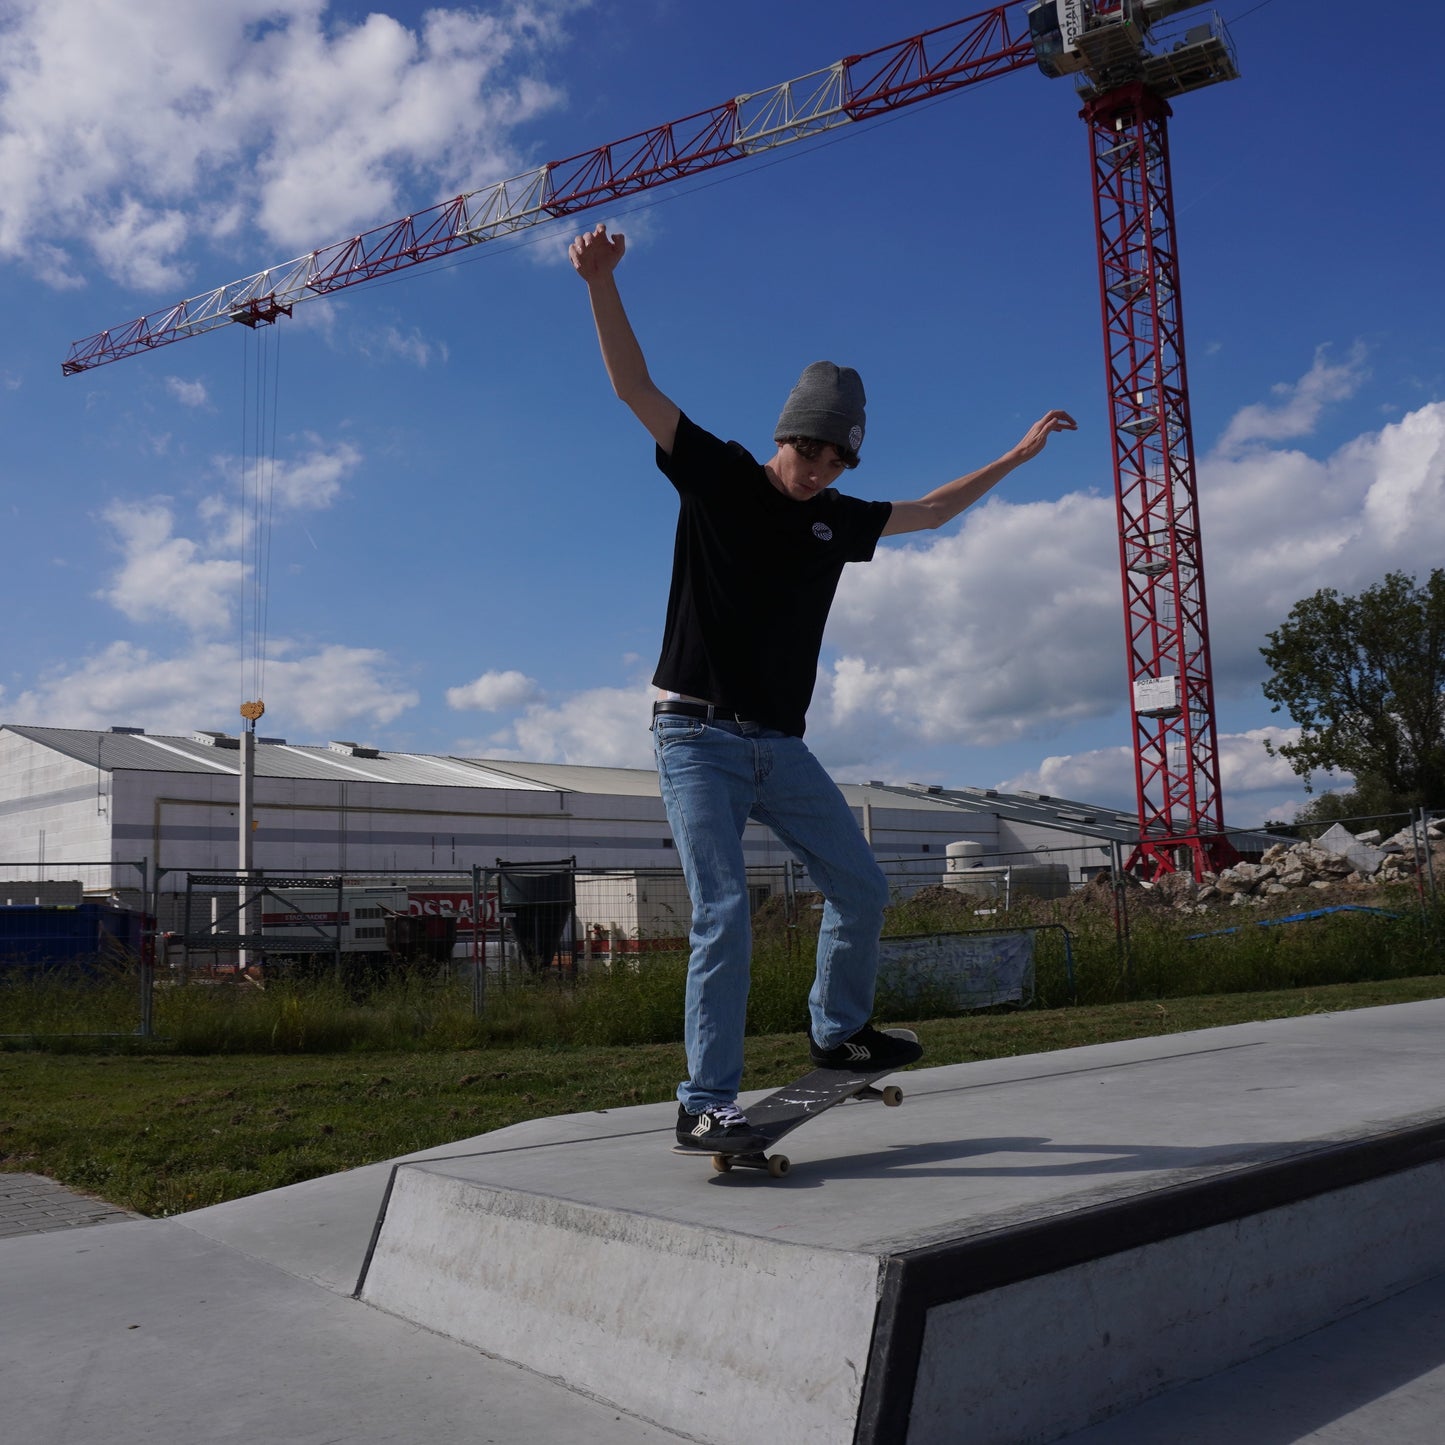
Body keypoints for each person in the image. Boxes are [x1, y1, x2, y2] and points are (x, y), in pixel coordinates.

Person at [569, 221, 1076, 1156]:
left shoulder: (835, 520)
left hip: (780, 747)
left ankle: (836, 1031)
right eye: (809, 455)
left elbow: (925, 510)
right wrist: (601, 283)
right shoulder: (719, 474)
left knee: (863, 885)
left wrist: (1014, 458)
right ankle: (704, 1100)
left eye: (836, 462)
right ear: (784, 437)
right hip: (694, 740)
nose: (818, 475)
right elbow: (635, 389)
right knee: (723, 912)